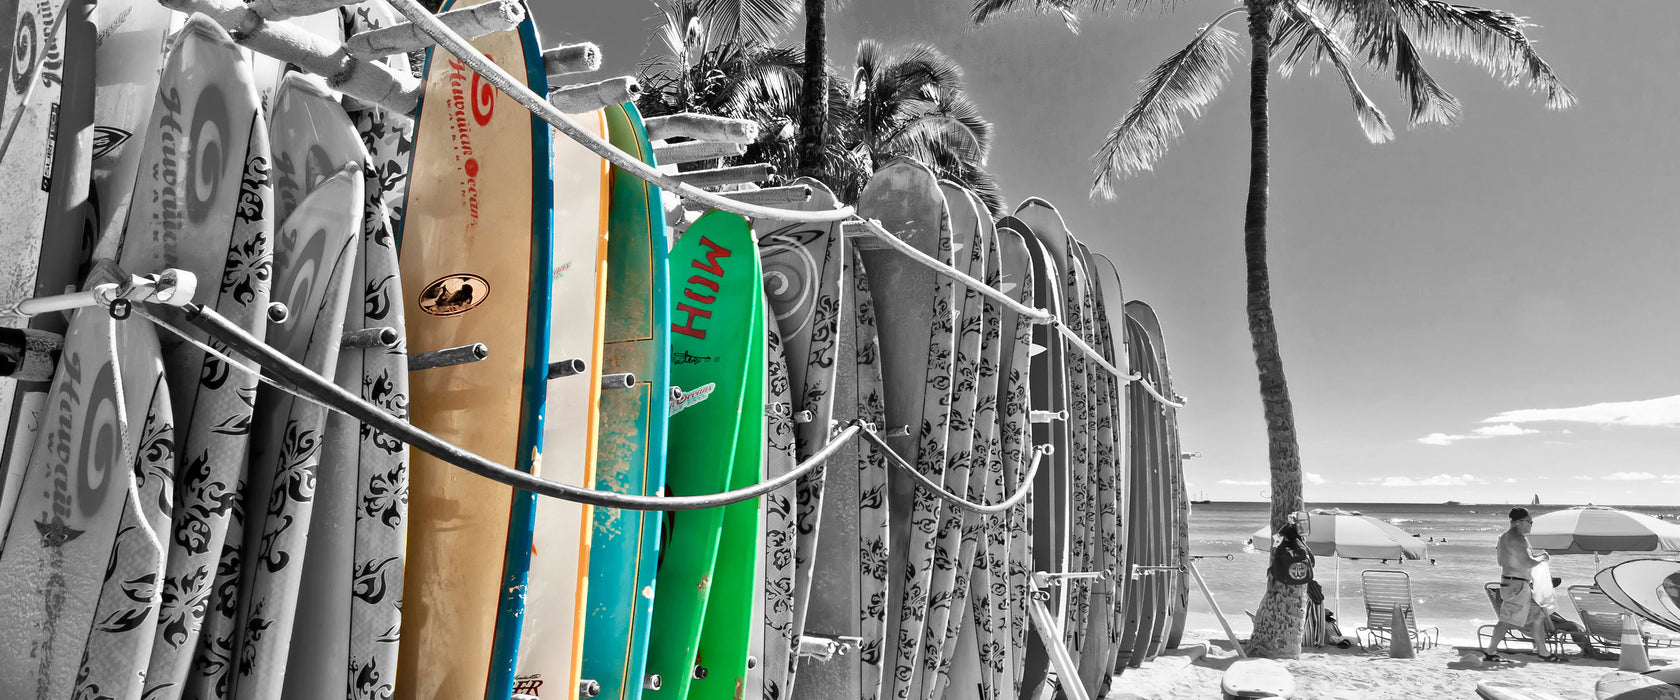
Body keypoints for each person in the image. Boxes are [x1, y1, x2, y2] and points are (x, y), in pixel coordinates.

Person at [1482, 507, 1565, 663]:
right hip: (1517, 586)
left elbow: (1500, 561)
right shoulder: (1519, 539)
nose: (1531, 525)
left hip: (1510, 583)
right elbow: (1528, 562)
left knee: (1537, 617)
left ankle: (1543, 652)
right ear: (1520, 522)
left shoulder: (1503, 538)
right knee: (1506, 620)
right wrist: (1542, 557)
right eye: (1530, 522)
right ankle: (1490, 651)